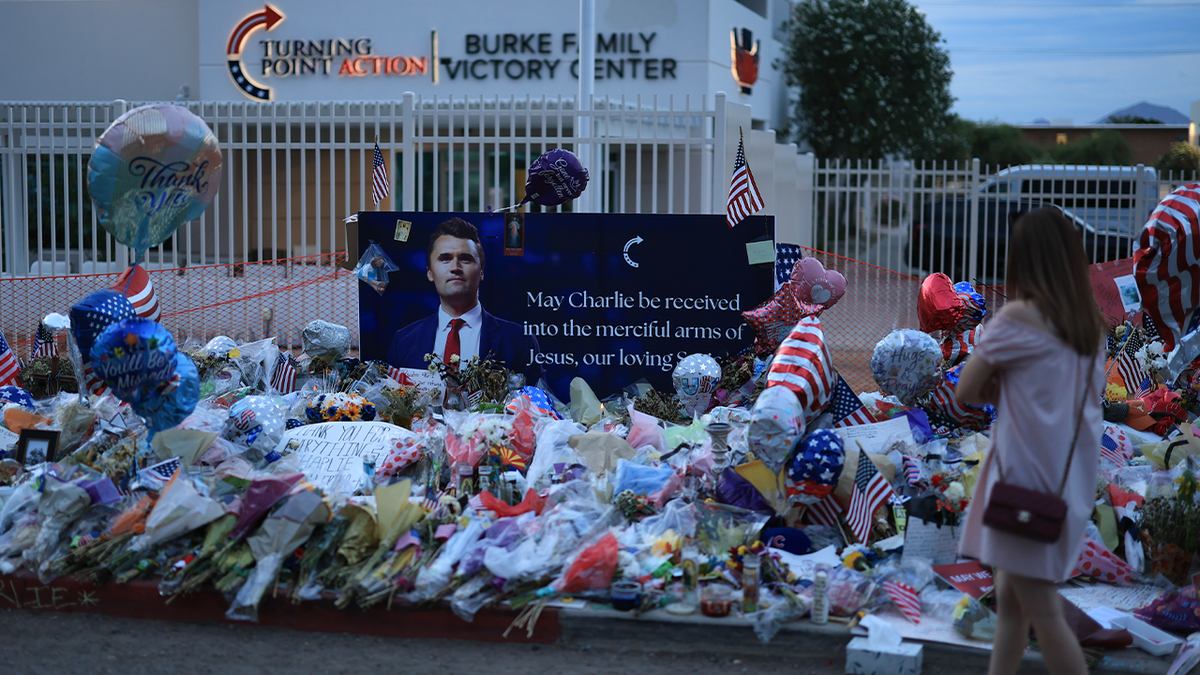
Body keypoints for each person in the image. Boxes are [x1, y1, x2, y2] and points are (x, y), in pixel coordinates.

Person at [956, 207, 1105, 675]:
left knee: (1041, 612)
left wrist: (1002, 385)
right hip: (1064, 483)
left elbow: (966, 391)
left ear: (1023, 260)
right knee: (1013, 603)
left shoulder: (1019, 317)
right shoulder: (1089, 327)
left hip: (1022, 483)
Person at [387, 217, 544, 384]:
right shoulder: (403, 341)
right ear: (430, 273)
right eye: (445, 258)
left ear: (482, 272)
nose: (455, 267)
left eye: (465, 259)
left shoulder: (519, 340)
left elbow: (536, 406)